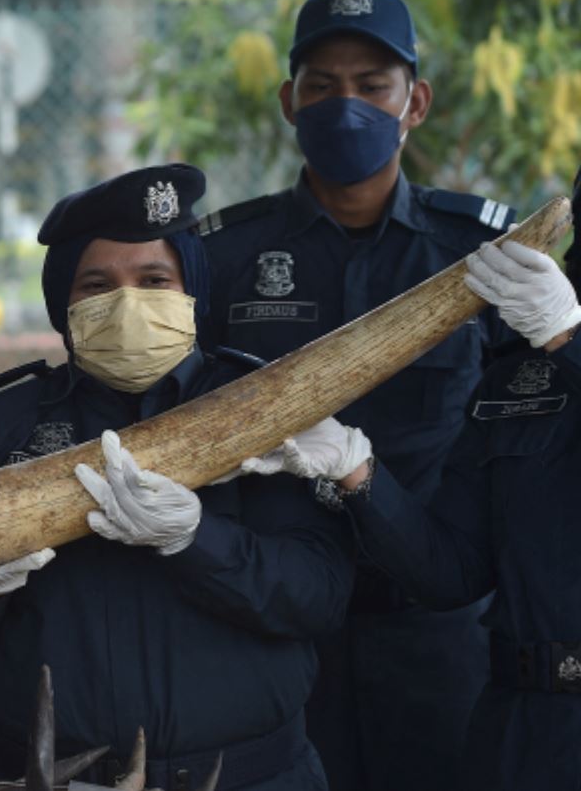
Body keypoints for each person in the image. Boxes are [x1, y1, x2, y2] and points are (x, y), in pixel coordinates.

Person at [0, 164, 355, 790]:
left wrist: (196, 539)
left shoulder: (259, 411)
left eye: (154, 279)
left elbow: (319, 598)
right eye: (97, 284)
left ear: (190, 289)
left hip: (246, 777)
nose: (127, 302)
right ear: (65, 303)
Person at [197, 0, 514, 791]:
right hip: (272, 624)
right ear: (288, 101)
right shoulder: (228, 256)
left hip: (435, 628)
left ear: (416, 102)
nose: (347, 105)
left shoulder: (477, 254)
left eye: (372, 85)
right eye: (322, 85)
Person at [235, 194, 581, 790]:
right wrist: (357, 472)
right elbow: (452, 573)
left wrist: (571, 342)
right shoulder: (521, 378)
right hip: (519, 725)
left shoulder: (561, 344)